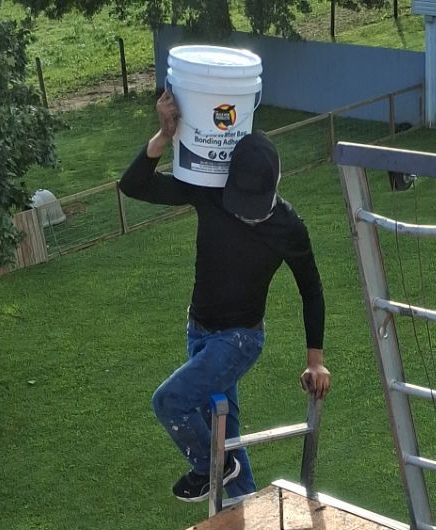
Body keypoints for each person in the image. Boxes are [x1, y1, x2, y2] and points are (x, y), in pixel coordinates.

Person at [119, 92, 331, 503]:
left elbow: (312, 289)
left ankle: (207, 466)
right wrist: (163, 136)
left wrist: (315, 360)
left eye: (254, 207)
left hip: (239, 340)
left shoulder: (289, 228)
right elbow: (134, 185)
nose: (245, 214)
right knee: (225, 430)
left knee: (171, 402)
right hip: (197, 329)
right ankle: (242, 504)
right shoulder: (212, 193)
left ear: (275, 185)